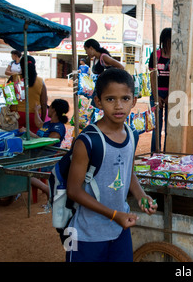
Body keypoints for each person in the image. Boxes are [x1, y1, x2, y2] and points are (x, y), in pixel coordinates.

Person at [66, 68, 157, 262]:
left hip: (119, 231)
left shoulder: (132, 135)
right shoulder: (87, 141)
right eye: (110, 99)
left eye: (125, 99)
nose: (118, 106)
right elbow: (73, 191)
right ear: (98, 101)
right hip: (86, 235)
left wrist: (141, 196)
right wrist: (114, 215)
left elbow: (127, 173)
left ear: (134, 101)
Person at [148, 27, 171, 152]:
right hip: (157, 93)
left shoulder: (176, 57)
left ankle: (167, 153)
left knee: (169, 127)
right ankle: (155, 153)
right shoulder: (155, 55)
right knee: (157, 126)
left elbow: (177, 77)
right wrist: (156, 96)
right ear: (164, 40)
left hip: (171, 93)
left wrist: (170, 95)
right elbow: (152, 77)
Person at [14, 55, 48, 134]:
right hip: (34, 116)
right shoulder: (40, 81)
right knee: (32, 140)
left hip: (16, 115)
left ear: (21, 66)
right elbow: (44, 103)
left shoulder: (14, 78)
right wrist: (42, 120)